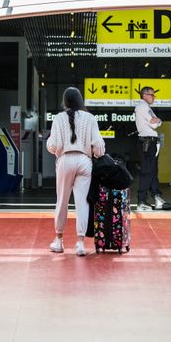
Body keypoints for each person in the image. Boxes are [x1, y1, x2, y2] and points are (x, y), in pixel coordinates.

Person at [46, 87, 105, 256]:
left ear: (65, 101)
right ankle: (80, 243)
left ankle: (58, 240)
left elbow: (53, 145)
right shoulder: (90, 118)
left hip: (65, 160)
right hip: (84, 161)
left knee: (62, 201)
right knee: (82, 203)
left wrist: (55, 148)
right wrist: (96, 154)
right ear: (81, 100)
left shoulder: (58, 118)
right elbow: (98, 146)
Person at [134, 86, 171, 211]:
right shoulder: (142, 107)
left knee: (152, 171)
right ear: (144, 95)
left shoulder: (146, 107)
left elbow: (158, 122)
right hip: (147, 142)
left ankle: (157, 198)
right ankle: (141, 201)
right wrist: (156, 121)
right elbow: (155, 124)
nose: (153, 97)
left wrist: (157, 121)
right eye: (152, 95)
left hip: (150, 142)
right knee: (147, 171)